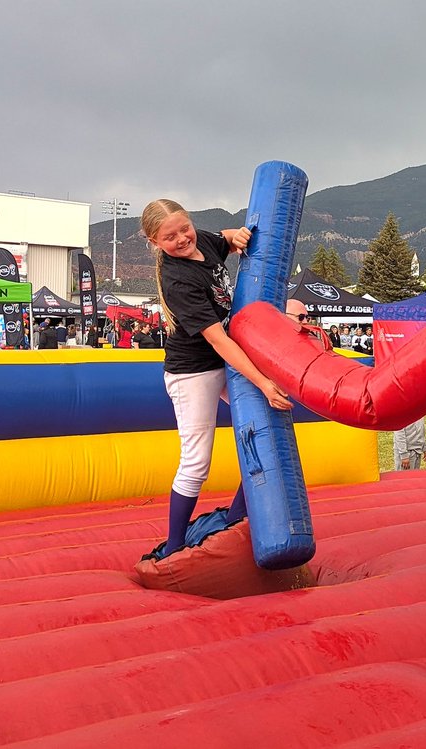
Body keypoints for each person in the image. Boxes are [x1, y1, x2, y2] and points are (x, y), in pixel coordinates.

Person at [144, 198, 290, 557]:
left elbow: (222, 238)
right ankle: (174, 548)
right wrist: (261, 380)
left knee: (268, 422)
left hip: (223, 362)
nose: (181, 239)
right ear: (154, 242)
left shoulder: (201, 241)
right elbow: (218, 340)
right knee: (197, 462)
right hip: (193, 372)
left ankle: (239, 515)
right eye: (169, 237)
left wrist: (237, 236)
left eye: (184, 229)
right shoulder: (178, 280)